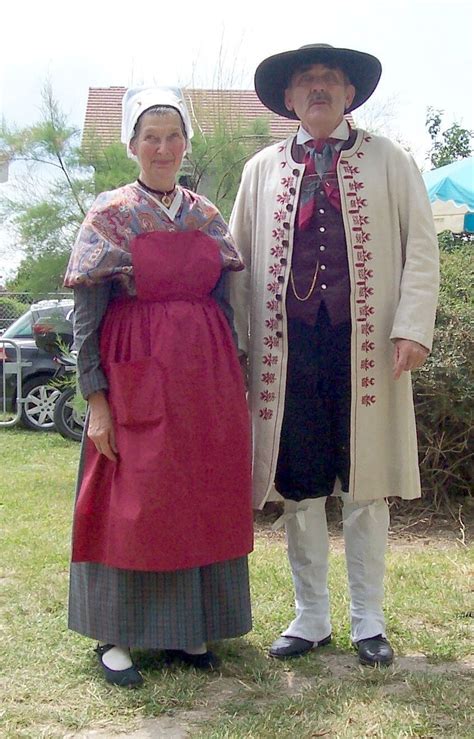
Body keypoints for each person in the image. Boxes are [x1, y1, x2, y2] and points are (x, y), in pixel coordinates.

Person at [229, 44, 439, 667]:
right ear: (288, 99)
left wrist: (412, 327)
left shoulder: (390, 160)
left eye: (329, 81)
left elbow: (421, 248)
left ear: (349, 95)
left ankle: (368, 618)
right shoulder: (260, 169)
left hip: (368, 348)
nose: (317, 89)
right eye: (305, 82)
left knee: (366, 484)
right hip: (287, 353)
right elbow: (237, 264)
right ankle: (311, 615)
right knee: (300, 485)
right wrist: (240, 344)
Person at [63, 86, 253, 687]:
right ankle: (115, 636)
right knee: (132, 498)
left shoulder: (205, 215)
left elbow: (224, 304)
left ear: (186, 144)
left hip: (204, 379)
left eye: (173, 136)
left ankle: (189, 630)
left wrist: (232, 377)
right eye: (151, 136)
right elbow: (86, 316)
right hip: (133, 372)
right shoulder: (109, 214)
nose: (163, 147)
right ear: (132, 146)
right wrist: (96, 399)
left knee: (194, 494)